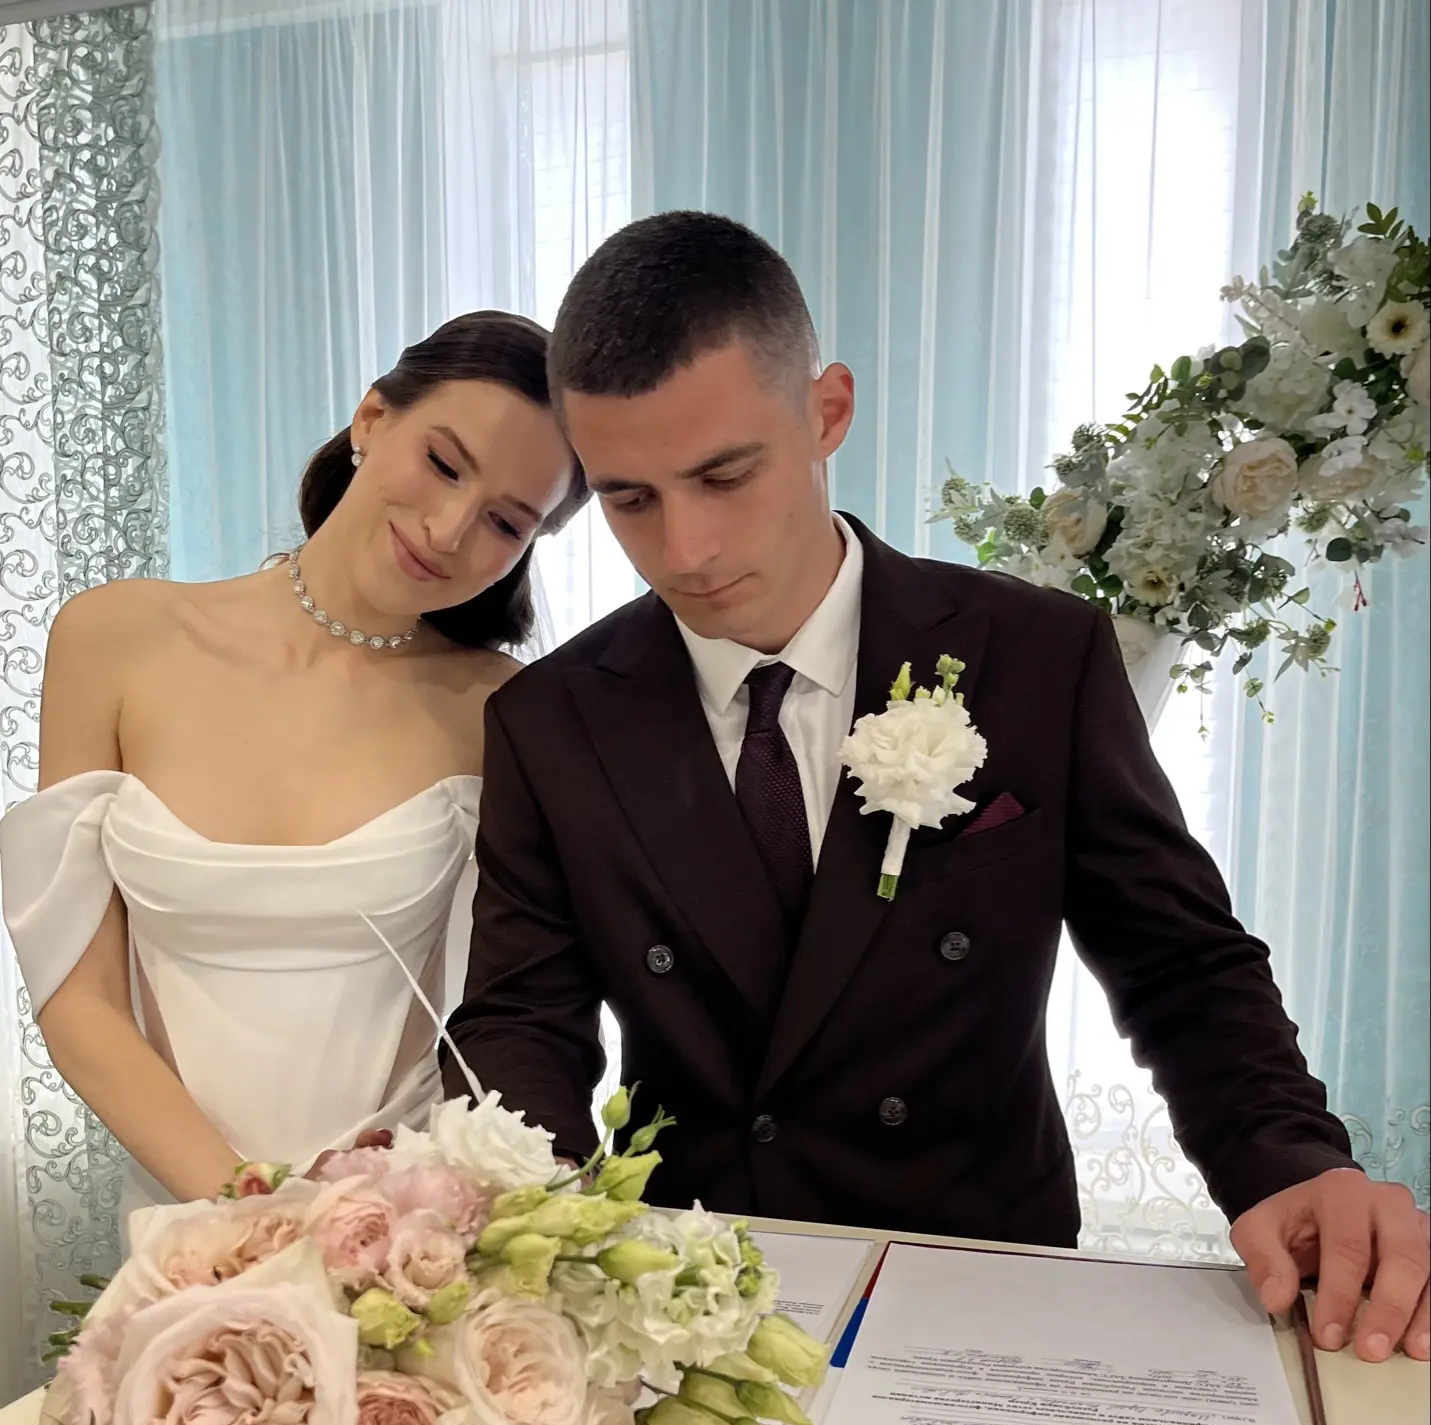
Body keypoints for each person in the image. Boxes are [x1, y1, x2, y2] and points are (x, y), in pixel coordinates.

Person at [446, 212, 1428, 1364]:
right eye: (630, 500)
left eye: (725, 475)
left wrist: (1288, 1160)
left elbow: (1179, 963)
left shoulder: (1039, 659)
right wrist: (535, 1224)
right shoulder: (553, 720)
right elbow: (521, 1021)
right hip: (690, 1301)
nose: (686, 549)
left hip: (982, 1286)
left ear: (827, 413)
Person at [0, 311, 587, 1222]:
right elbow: (80, 1000)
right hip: (185, 1218)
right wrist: (255, 1212)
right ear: (372, 419)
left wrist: (365, 1224)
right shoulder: (115, 637)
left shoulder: (501, 709)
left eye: (505, 522)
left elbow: (514, 1011)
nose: (446, 530)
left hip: (404, 1228)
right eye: (443, 464)